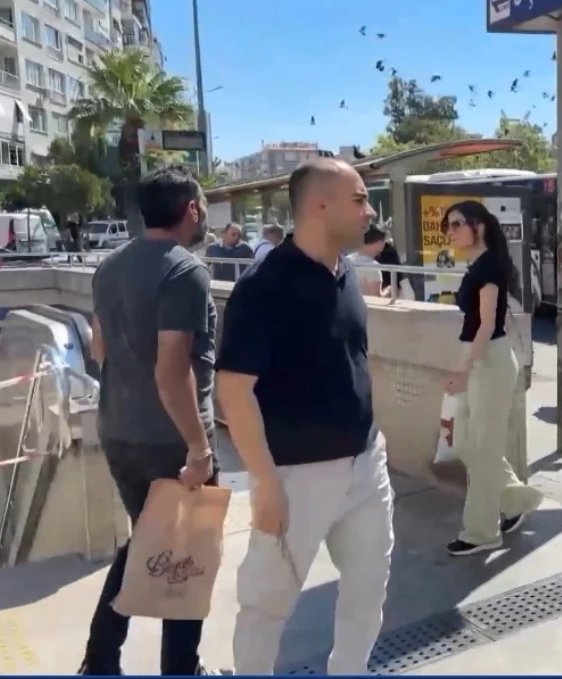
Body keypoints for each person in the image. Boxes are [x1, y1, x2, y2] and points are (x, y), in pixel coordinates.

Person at [216, 158, 393, 675]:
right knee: (266, 606)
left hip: (365, 466)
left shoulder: (349, 274)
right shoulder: (263, 286)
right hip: (296, 477)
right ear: (320, 205)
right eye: (359, 199)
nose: (370, 211)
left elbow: (356, 359)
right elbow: (233, 389)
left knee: (367, 591)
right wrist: (265, 483)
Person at [81, 166, 220, 676]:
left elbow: (99, 348)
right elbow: (172, 368)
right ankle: (181, 669)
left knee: (146, 542)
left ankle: (100, 660)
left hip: (119, 430)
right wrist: (199, 447)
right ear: (192, 210)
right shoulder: (186, 270)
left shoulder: (109, 266)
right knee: (186, 557)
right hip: (171, 441)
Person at [441, 200, 543, 556]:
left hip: (490, 362)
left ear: (478, 227)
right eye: (448, 226)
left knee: (482, 449)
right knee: (470, 444)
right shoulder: (480, 264)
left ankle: (482, 531)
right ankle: (517, 499)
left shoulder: (489, 268)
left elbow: (487, 325)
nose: (450, 231)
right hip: (481, 358)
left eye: (456, 224)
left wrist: (462, 369)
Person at [349, 225, 389, 296]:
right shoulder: (373, 267)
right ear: (379, 242)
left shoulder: (347, 260)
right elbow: (376, 297)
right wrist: (388, 291)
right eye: (384, 242)